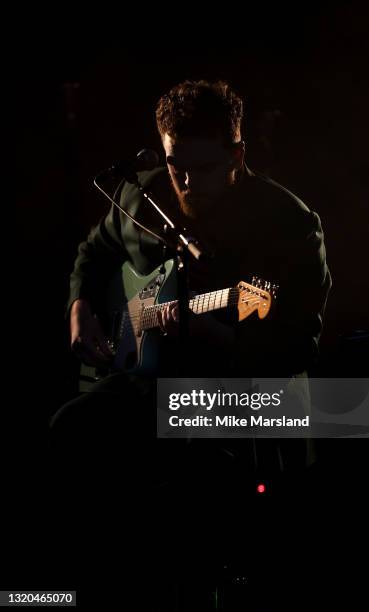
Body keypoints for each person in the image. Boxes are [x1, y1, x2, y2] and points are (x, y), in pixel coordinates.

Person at [50, 80, 331, 606]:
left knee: (197, 491)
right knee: (70, 431)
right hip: (146, 379)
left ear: (238, 154)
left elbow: (298, 346)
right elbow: (93, 252)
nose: (185, 181)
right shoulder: (142, 194)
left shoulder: (288, 225)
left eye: (202, 169)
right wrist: (80, 308)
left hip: (239, 397)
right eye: (175, 162)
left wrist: (213, 331)